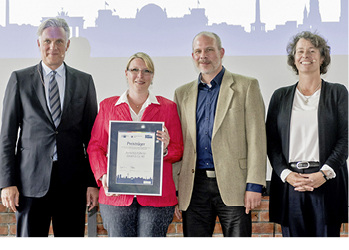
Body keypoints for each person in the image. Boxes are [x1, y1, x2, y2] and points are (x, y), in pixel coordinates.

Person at [0, 18, 99, 237]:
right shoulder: (19, 79)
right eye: (47, 41)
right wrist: (7, 182)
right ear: (38, 44)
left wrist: (93, 183)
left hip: (72, 184)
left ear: (68, 45)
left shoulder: (84, 81)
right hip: (30, 184)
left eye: (58, 41)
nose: (52, 47)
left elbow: (93, 139)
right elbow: (7, 137)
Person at [173, 31, 266, 237]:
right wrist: (176, 192)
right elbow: (179, 145)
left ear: (221, 52)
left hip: (235, 186)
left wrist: (254, 185)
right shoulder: (182, 94)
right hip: (193, 188)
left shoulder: (246, 86)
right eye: (198, 51)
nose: (203, 55)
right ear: (192, 56)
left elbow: (257, 140)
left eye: (209, 50)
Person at [87, 52, 183, 237]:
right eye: (135, 70)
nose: (140, 76)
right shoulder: (108, 106)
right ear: (126, 73)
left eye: (146, 71)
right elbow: (95, 147)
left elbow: (178, 150)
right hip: (116, 196)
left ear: (152, 76)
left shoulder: (168, 108)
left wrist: (164, 149)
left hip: (157, 197)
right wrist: (103, 175)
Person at [266, 31, 348, 237]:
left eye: (312, 51)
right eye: (300, 51)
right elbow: (271, 142)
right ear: (294, 59)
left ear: (322, 58)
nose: (306, 55)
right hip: (291, 184)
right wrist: (287, 175)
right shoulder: (280, 96)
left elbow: (345, 138)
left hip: (326, 183)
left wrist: (324, 174)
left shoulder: (338, 93)